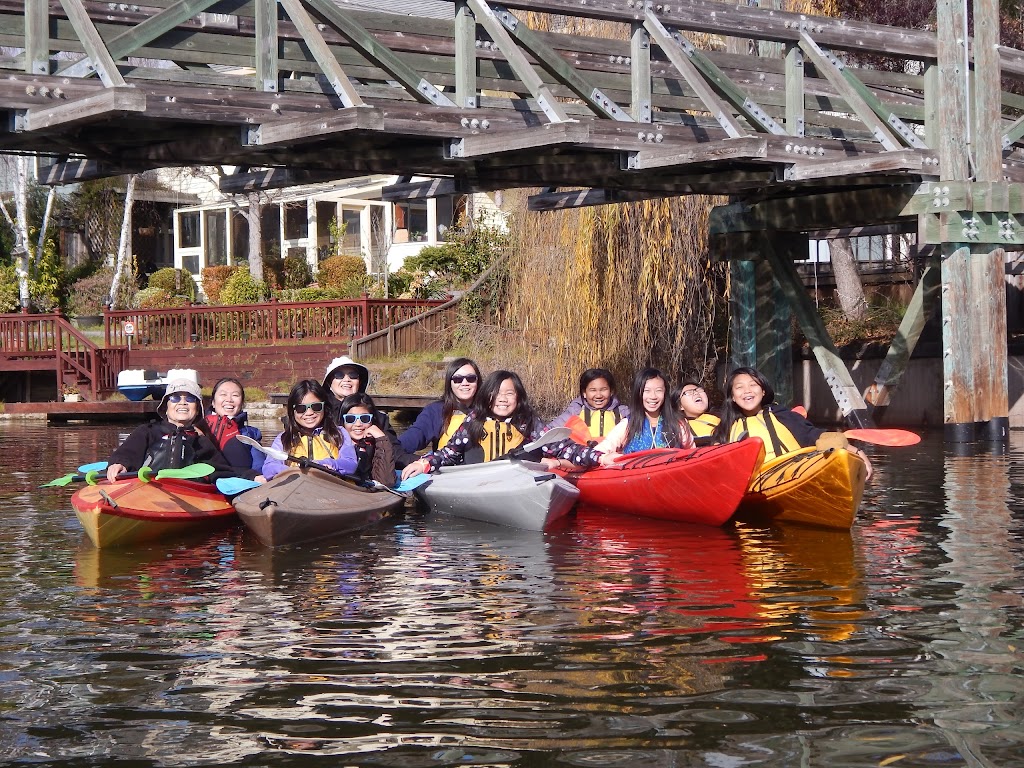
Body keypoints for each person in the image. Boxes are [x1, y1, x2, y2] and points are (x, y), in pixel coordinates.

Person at [401, 370, 607, 479]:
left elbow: (564, 448)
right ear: (487, 397)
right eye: (496, 394)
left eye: (509, 393)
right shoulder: (473, 422)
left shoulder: (528, 423)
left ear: (518, 398)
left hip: (517, 482)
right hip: (477, 482)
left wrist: (601, 457)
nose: (502, 399)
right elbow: (448, 453)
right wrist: (424, 462)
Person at [711, 366, 873, 479]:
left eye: (753, 385)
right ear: (732, 396)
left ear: (763, 391)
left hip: (794, 473)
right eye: (739, 387)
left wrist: (857, 453)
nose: (747, 390)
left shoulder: (782, 416)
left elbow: (814, 435)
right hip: (754, 483)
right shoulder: (726, 428)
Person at [105, 378, 263, 484]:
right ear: (166, 407)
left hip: (184, 493)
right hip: (145, 488)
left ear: (197, 410)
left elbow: (223, 471)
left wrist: (251, 476)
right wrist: (119, 464)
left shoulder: (201, 442)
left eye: (190, 399)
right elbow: (127, 453)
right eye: (175, 398)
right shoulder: (147, 431)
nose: (182, 403)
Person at [322, 356, 415, 467]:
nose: (346, 379)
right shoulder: (322, 415)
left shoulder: (378, 417)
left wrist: (424, 461)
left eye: (353, 375)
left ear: (359, 382)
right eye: (339, 375)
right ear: (329, 383)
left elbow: (396, 453)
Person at [262, 379, 358, 481]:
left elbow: (350, 464)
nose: (309, 413)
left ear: (324, 407)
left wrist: (325, 464)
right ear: (292, 411)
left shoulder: (339, 433)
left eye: (316, 406)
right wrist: (295, 471)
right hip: (295, 487)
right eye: (301, 408)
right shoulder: (284, 438)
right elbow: (269, 468)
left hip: (332, 488)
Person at [594, 368, 694, 455]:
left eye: (658, 390)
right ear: (638, 393)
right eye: (647, 391)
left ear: (665, 393)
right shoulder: (628, 425)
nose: (653, 396)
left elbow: (692, 453)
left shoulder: (678, 423)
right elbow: (601, 450)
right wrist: (603, 458)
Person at [399, 357, 481, 456]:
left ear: (478, 381)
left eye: (471, 378)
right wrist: (390, 448)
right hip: (448, 468)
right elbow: (416, 435)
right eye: (457, 379)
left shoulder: (488, 410)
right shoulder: (435, 411)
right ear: (449, 383)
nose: (465, 383)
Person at [548, 368, 630, 443]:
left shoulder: (623, 413)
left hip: (614, 456)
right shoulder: (575, 411)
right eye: (593, 390)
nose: (598, 395)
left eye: (603, 389)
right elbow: (549, 431)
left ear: (611, 391)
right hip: (582, 456)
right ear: (584, 393)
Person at [205, 377, 265, 472]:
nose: (229, 399)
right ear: (213, 402)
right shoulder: (199, 429)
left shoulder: (252, 433)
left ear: (242, 404)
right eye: (223, 394)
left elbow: (259, 466)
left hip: (242, 481)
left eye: (235, 395)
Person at [338, 393, 395, 487]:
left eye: (364, 418)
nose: (358, 424)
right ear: (342, 421)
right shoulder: (333, 442)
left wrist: (381, 438)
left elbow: (386, 482)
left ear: (372, 420)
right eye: (350, 418)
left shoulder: (377, 446)